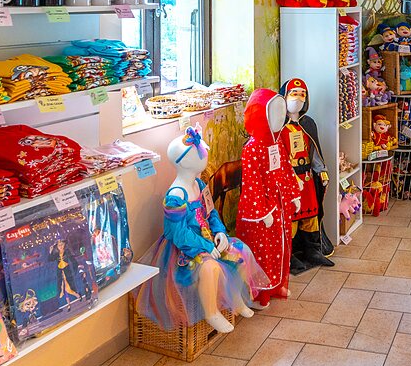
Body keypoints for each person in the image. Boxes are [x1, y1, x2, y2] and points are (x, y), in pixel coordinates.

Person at [137, 127, 267, 332]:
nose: (203, 155)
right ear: (183, 161)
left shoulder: (198, 184)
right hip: (185, 249)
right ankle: (211, 312)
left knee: (239, 251)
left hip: (208, 238)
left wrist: (221, 232)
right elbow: (178, 234)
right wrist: (205, 245)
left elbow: (211, 212)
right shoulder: (176, 196)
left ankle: (237, 299)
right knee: (210, 268)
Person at [237, 89, 301, 306]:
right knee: (262, 250)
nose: (279, 118)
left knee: (280, 247)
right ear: (260, 115)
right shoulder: (252, 149)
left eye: (279, 113)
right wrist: (262, 212)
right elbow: (252, 184)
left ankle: (276, 285)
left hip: (280, 206)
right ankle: (259, 293)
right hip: (264, 209)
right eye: (273, 113)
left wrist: (293, 195)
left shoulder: (277, 143)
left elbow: (286, 169)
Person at [278, 78, 335, 273]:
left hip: (308, 177)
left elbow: (315, 150)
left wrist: (322, 170)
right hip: (289, 179)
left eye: (302, 94)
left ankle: (312, 250)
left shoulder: (308, 123)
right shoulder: (278, 125)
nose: (298, 97)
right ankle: (291, 254)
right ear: (283, 96)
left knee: (311, 213)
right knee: (292, 217)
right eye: (294, 93)